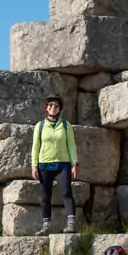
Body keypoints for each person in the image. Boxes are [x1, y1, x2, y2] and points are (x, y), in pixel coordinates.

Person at [30, 96, 78, 234]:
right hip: (44, 165)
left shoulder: (65, 125)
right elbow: (35, 146)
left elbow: (71, 145)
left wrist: (75, 163)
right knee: (45, 196)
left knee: (66, 193)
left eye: (56, 105)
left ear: (59, 109)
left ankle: (71, 224)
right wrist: (34, 165)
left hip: (62, 164)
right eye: (50, 105)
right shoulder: (39, 126)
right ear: (46, 108)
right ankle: (46, 226)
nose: (53, 107)